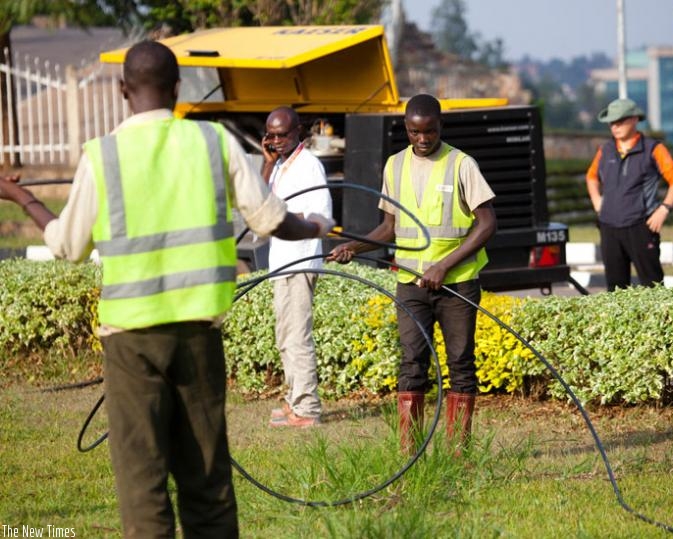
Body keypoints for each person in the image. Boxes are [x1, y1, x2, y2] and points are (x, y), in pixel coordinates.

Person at [0, 40, 333, 538]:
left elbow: (66, 245)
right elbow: (271, 220)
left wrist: (20, 195)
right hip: (198, 336)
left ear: (121, 90)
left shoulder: (103, 156)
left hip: (131, 342)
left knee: (143, 484)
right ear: (178, 89)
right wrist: (315, 226)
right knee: (207, 483)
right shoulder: (214, 143)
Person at [327, 93, 497, 455]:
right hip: (410, 285)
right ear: (406, 128)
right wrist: (352, 247)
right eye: (416, 132)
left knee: (461, 365)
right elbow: (389, 227)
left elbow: (486, 225)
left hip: (458, 284)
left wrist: (444, 265)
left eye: (430, 131)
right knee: (411, 364)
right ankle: (411, 453)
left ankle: (458, 454)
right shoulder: (394, 166)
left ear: (440, 127)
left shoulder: (461, 164)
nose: (423, 139)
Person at [261, 106, 332, 428]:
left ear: (297, 132)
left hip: (300, 260)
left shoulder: (309, 166)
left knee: (298, 336)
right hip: (281, 262)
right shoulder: (277, 166)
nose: (276, 141)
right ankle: (294, 401)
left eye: (282, 135)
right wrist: (266, 162)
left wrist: (285, 220)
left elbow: (321, 215)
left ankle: (307, 409)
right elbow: (259, 204)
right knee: (285, 336)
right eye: (271, 135)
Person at [586, 98, 673, 291]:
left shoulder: (653, 149)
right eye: (611, 123)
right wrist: (597, 201)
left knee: (652, 287)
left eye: (619, 121)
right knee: (615, 291)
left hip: (640, 226)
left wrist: (664, 209)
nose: (614, 127)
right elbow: (591, 177)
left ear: (634, 119)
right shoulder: (605, 150)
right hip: (609, 228)